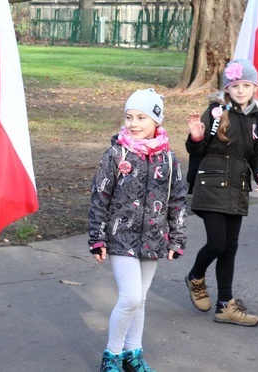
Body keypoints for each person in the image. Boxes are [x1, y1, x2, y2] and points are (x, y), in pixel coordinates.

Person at [88, 88, 187, 372]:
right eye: (129, 116)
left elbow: (177, 200)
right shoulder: (116, 154)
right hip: (121, 238)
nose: (133, 123)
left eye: (141, 117)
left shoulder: (168, 159)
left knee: (140, 300)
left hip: (154, 240)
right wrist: (97, 237)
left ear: (157, 121)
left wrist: (176, 239)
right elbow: (100, 197)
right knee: (130, 298)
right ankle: (112, 355)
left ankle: (133, 353)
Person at [184, 59, 258, 327]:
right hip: (210, 185)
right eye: (235, 86)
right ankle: (195, 276)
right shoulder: (216, 112)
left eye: (246, 85)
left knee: (229, 248)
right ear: (227, 88)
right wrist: (196, 137)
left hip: (238, 187)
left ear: (254, 87)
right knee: (217, 243)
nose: (241, 90)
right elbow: (197, 151)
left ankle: (225, 305)